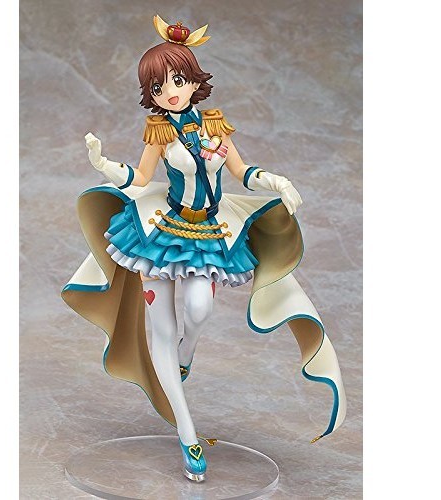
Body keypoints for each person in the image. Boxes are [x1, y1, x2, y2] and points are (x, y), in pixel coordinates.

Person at [62, 15, 346, 483]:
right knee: (161, 328)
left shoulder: (215, 124)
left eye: (177, 80)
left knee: (198, 310)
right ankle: (188, 435)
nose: (170, 92)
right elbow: (141, 178)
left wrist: (274, 180)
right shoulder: (159, 132)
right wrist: (105, 165)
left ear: (194, 80)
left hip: (209, 234)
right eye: (158, 87)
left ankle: (186, 352)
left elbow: (241, 171)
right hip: (161, 234)